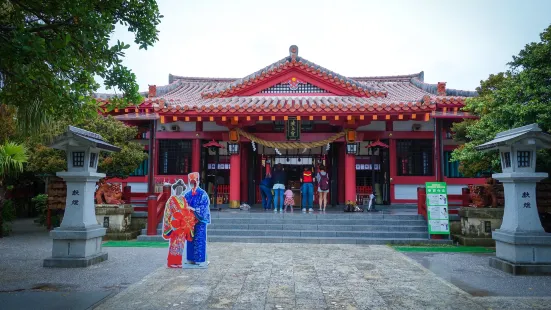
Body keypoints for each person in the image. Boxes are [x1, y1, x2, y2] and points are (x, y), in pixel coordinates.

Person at [162, 179, 197, 268]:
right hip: (174, 224)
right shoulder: (171, 200)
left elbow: (186, 209)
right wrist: (169, 224)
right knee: (174, 244)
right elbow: (167, 213)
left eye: (181, 189)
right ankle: (171, 262)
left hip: (182, 225)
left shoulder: (183, 199)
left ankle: (178, 261)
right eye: (178, 188)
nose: (179, 190)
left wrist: (189, 215)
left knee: (181, 244)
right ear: (175, 189)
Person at [183, 172, 211, 268]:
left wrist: (193, 210)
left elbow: (203, 207)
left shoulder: (203, 194)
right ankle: (190, 259)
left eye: (195, 181)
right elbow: (183, 206)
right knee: (190, 239)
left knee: (199, 239)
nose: (193, 183)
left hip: (200, 221)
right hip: (189, 221)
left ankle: (200, 259)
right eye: (191, 182)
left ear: (198, 181)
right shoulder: (187, 195)